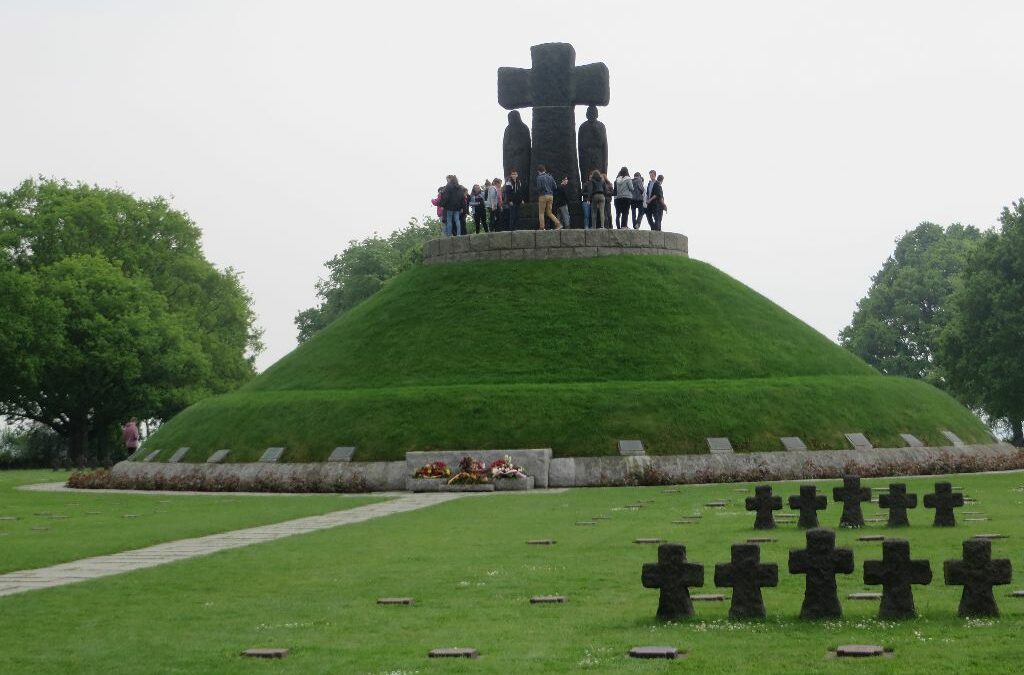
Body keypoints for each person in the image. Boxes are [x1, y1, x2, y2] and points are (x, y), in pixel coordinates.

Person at [535, 165, 561, 230]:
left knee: (541, 213)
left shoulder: (539, 177)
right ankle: (558, 224)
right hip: (551, 196)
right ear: (545, 170)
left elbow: (539, 188)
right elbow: (555, 187)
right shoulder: (550, 177)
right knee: (549, 212)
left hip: (543, 196)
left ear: (538, 171)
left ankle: (542, 227)